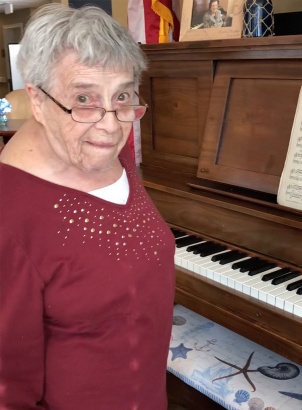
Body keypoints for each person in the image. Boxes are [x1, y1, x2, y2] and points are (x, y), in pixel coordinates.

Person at [0, 4, 175, 409]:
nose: (111, 125)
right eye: (84, 98)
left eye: (123, 96)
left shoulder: (111, 156)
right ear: (38, 100)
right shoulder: (10, 215)